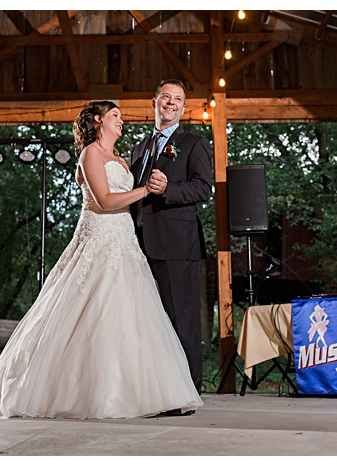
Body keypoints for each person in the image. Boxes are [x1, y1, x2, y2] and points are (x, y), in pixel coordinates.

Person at [0, 101, 204, 419]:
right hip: (98, 235)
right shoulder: (90, 154)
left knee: (130, 316)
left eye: (121, 117)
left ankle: (133, 391)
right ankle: (77, 390)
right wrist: (145, 192)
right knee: (87, 307)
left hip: (124, 239)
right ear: (98, 120)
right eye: (116, 116)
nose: (121, 121)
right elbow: (105, 200)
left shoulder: (122, 159)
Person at [132, 79, 217, 410]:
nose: (171, 102)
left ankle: (186, 393)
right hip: (139, 245)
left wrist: (170, 187)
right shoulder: (140, 148)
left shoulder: (194, 143)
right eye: (165, 97)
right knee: (150, 321)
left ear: (183, 107)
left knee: (181, 319)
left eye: (177, 99)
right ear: (153, 102)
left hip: (177, 244)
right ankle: (157, 391)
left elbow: (202, 188)